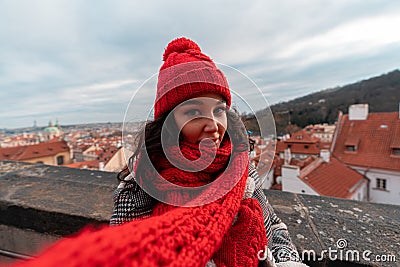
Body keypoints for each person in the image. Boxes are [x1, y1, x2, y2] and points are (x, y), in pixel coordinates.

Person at [110, 37, 307, 267]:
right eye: (193, 112)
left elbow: (274, 228)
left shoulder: (241, 167)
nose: (213, 124)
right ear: (169, 122)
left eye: (219, 110)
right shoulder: (143, 181)